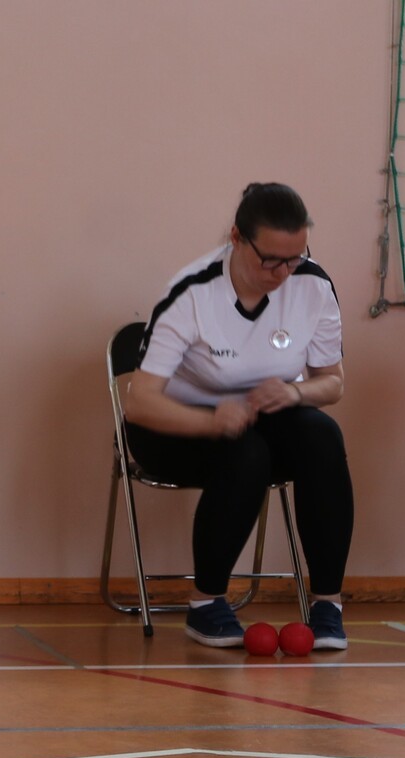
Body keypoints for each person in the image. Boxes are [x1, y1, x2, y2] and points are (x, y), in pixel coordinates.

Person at [119, 183, 353, 650]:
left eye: (294, 259)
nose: (282, 273)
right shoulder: (192, 292)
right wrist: (212, 422)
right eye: (270, 260)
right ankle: (206, 602)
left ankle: (328, 604)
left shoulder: (312, 286)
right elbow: (138, 402)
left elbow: (332, 383)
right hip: (173, 425)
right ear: (237, 239)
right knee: (246, 454)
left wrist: (294, 391)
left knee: (322, 436)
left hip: (260, 417)